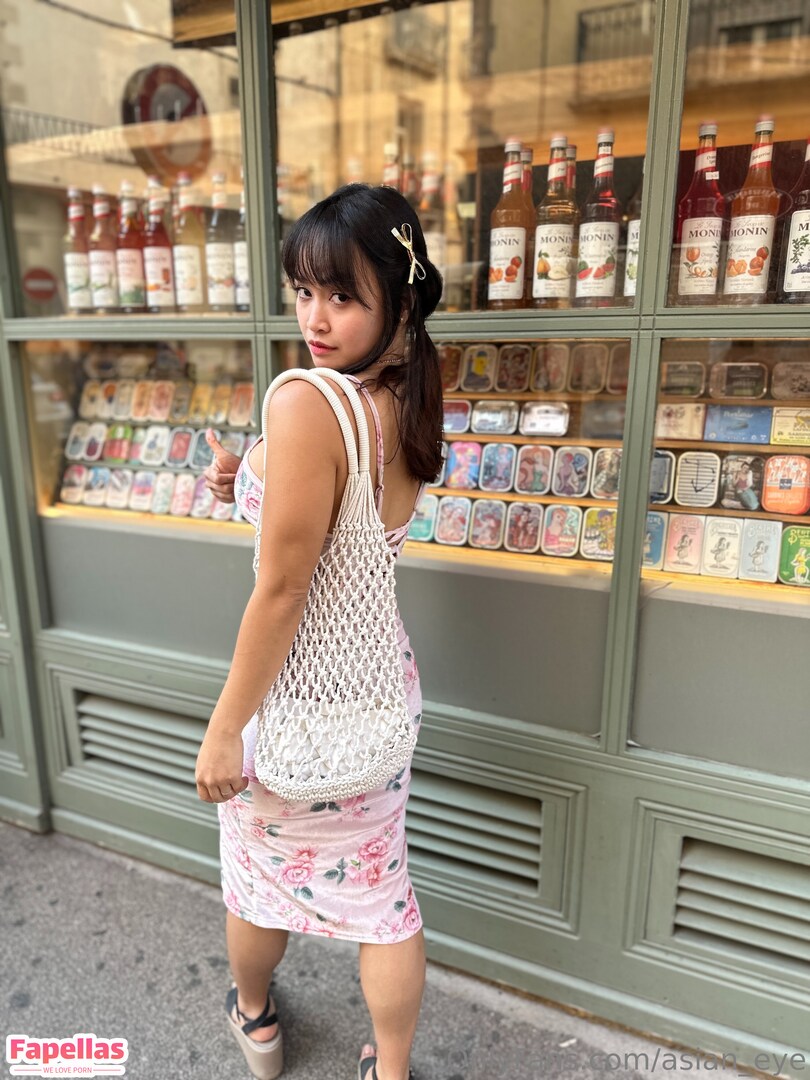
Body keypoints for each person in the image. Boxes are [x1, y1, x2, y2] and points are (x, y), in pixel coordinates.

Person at [194, 182, 443, 1080]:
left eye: (342, 294)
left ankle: (258, 1022)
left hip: (296, 697)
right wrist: (248, 481)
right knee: (384, 898)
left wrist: (226, 728)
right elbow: (341, 523)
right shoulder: (406, 396)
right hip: (376, 690)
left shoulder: (306, 404)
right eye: (304, 290)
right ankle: (392, 1070)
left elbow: (283, 589)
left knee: (260, 883)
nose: (315, 317)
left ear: (398, 300)